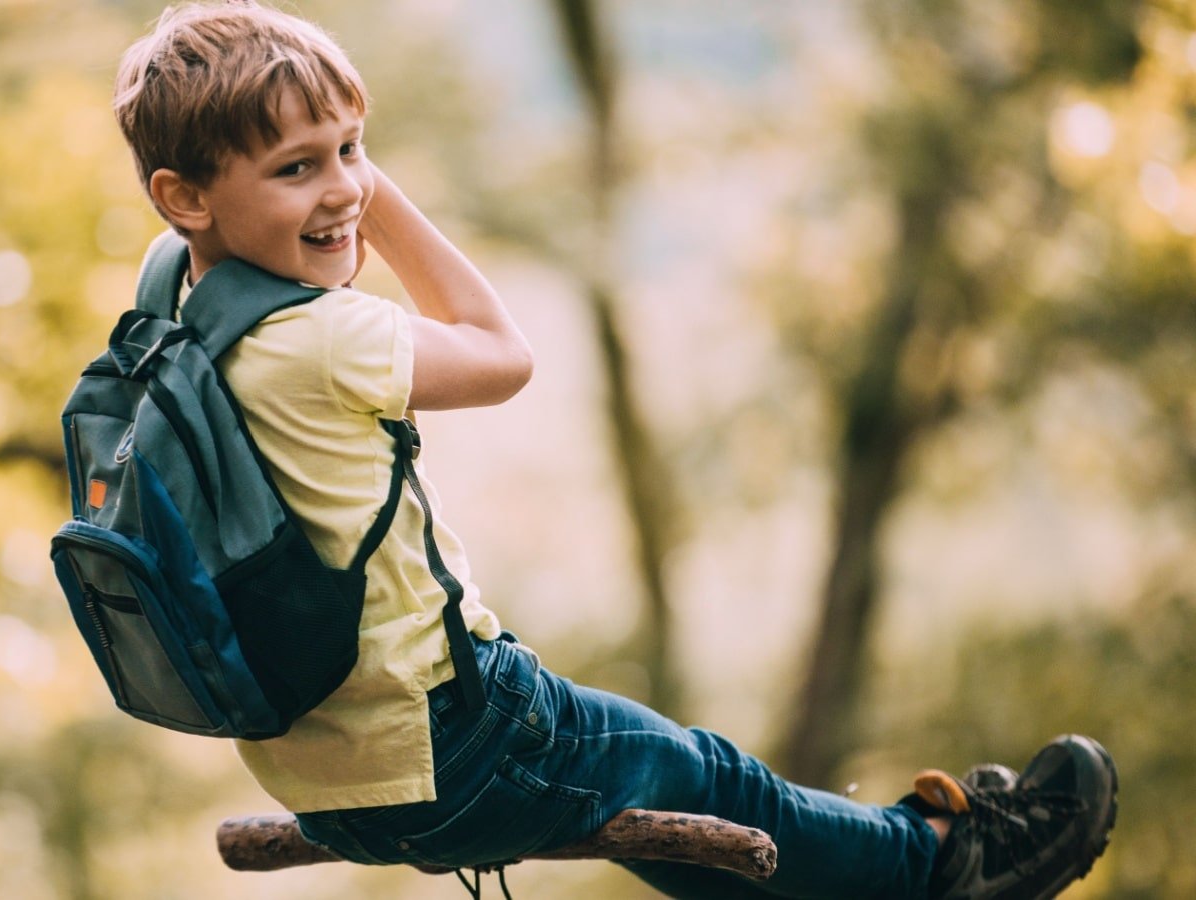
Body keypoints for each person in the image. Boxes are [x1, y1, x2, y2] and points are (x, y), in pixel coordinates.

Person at [107, 2, 1118, 897]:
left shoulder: (174, 319)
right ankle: (941, 863)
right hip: (461, 739)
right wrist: (381, 195)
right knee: (710, 777)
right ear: (186, 197)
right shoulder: (320, 338)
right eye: (298, 167)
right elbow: (501, 352)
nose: (340, 189)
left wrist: (312, 185)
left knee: (674, 821)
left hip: (333, 780)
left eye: (351, 149)